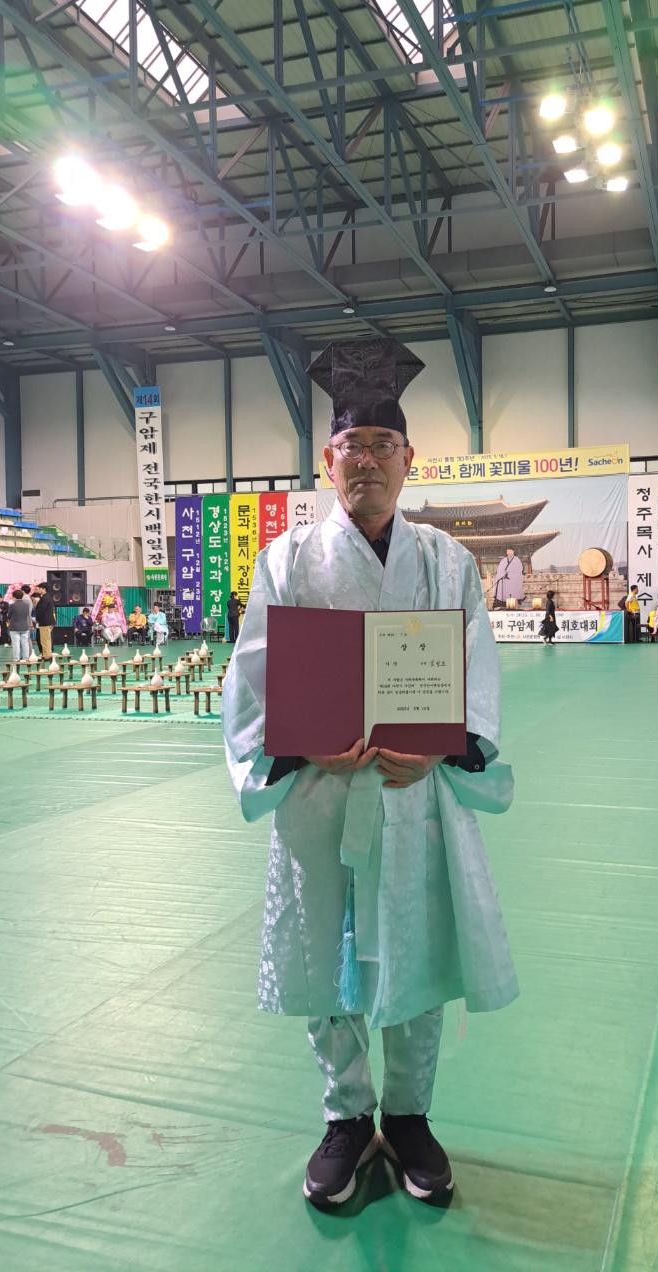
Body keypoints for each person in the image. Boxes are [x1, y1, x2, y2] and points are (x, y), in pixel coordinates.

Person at [224, 338, 517, 1211]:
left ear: (409, 460)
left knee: (417, 949)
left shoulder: (446, 562)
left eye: (384, 446)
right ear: (329, 461)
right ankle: (347, 1116)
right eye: (352, 447)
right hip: (321, 798)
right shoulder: (285, 562)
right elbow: (252, 678)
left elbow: (476, 669)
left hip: (412, 794)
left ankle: (411, 1115)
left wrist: (448, 745)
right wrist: (296, 745)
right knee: (328, 956)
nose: (368, 462)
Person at [7, 588, 32, 662]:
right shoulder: (26, 605)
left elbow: (9, 616)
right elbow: (27, 614)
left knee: (16, 644)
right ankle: (26, 658)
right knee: (25, 643)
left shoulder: (12, 605)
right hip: (25, 626)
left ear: (14, 596)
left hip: (14, 627)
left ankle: (16, 659)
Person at [34, 582, 56, 659]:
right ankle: (48, 655)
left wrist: (37, 619)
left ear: (43, 589)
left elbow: (41, 610)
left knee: (44, 640)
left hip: (45, 622)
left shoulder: (44, 598)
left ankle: (46, 656)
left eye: (39, 588)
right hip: (48, 621)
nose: (38, 590)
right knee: (47, 640)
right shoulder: (47, 597)